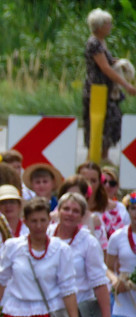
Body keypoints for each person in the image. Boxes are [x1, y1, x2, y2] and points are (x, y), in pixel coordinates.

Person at [49, 192, 112, 317]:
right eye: (66, 209)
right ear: (58, 211)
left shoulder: (88, 242)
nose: (69, 214)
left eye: (75, 211)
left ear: (82, 215)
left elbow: (99, 282)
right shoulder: (47, 234)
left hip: (78, 315)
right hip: (49, 312)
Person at [84, 8, 136, 155]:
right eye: (108, 24)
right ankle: (97, 155)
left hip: (106, 89)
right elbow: (105, 68)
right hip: (98, 89)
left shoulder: (101, 42)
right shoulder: (94, 43)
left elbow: (107, 62)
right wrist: (126, 85)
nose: (110, 27)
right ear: (99, 26)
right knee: (101, 123)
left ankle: (104, 153)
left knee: (111, 121)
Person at [99, 165, 130, 239]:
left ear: (117, 187)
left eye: (112, 183)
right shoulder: (91, 207)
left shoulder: (121, 208)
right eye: (104, 182)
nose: (107, 186)